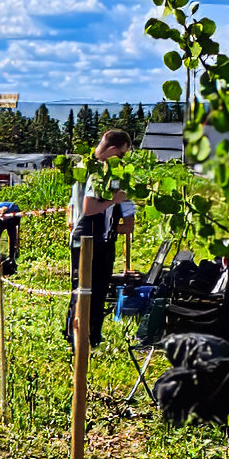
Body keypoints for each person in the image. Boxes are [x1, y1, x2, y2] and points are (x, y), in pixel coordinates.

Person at [63, 129, 132, 349]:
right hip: (88, 235)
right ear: (112, 150)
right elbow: (88, 207)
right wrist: (115, 200)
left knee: (94, 289)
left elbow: (71, 207)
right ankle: (80, 337)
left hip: (94, 235)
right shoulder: (96, 171)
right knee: (85, 289)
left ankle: (87, 336)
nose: (121, 160)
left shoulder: (85, 167)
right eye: (121, 155)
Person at [0, 200, 22, 278]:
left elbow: (18, 221)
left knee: (13, 239)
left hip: (11, 220)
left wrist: (16, 237)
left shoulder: (14, 208)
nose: (3, 218)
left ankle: (12, 258)